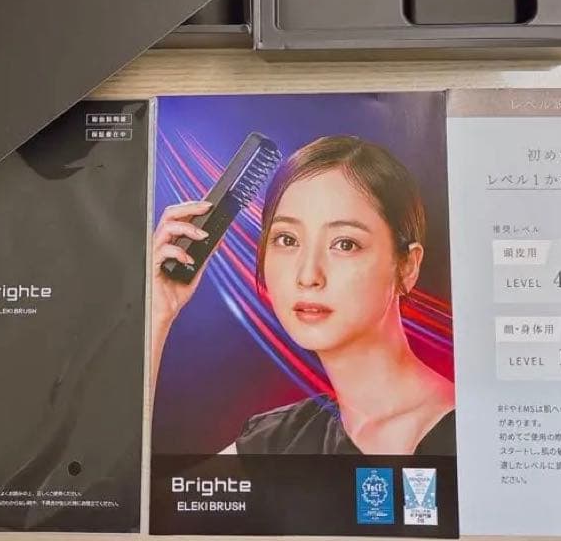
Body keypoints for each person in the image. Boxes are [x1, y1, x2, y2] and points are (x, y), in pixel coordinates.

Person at [149, 135, 455, 455]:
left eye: (345, 244)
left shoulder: (468, 430)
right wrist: (157, 312)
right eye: (287, 240)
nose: (308, 276)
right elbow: (128, 484)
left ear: (406, 266)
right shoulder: (279, 443)